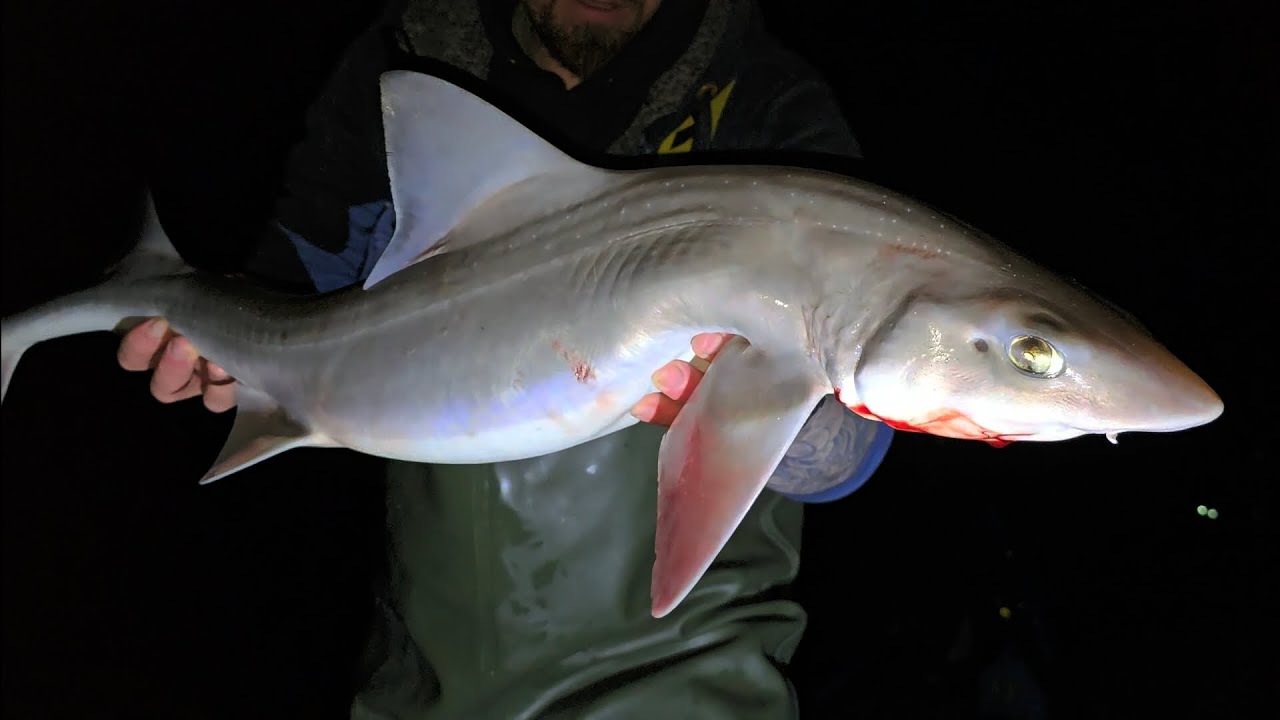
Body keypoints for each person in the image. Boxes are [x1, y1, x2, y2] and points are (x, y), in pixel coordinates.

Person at [117, 0, 896, 716]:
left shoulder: (764, 100)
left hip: (689, 677)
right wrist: (229, 359)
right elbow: (294, 282)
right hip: (426, 668)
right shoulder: (407, 61)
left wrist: (791, 428)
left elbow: (849, 452)